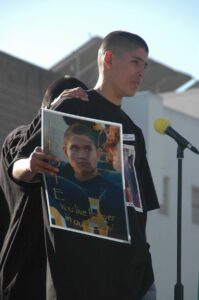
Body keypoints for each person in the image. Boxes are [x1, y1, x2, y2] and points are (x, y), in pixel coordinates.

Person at [2, 31, 159, 300]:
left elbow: (139, 206)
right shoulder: (73, 104)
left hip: (127, 273)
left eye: (145, 64)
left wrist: (142, 266)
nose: (141, 71)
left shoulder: (133, 130)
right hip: (75, 272)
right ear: (109, 59)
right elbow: (17, 166)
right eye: (135, 62)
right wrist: (30, 165)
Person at [0, 76, 88, 298]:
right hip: (24, 272)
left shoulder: (83, 153)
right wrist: (53, 113)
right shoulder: (21, 137)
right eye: (68, 111)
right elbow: (19, 167)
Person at [45, 122, 127, 239]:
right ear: (65, 152)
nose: (82, 155)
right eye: (74, 148)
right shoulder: (54, 174)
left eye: (87, 149)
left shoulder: (116, 183)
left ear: (98, 153)